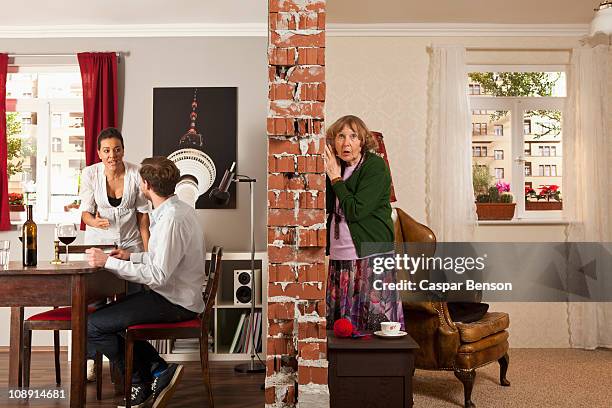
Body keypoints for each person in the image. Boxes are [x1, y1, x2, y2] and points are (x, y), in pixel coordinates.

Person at [85, 156, 205, 408]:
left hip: (175, 301)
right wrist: (132, 256)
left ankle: (140, 380)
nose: (138, 183)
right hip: (171, 295)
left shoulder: (172, 218)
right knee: (103, 317)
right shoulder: (174, 210)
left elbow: (159, 274)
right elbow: (162, 258)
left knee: (93, 325)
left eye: (140, 179)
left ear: (147, 185)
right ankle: (159, 371)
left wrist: (107, 263)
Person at [79, 127, 151, 381]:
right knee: (94, 304)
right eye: (107, 150)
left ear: (123, 150)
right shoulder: (90, 174)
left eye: (117, 149)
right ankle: (91, 360)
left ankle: (132, 360)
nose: (113, 155)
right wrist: (94, 222)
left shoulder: (135, 173)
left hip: (129, 246)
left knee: (130, 304)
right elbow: (85, 212)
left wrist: (147, 251)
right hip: (100, 247)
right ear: (99, 153)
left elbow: (143, 218)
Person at [324, 115, 404, 331]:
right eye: (340, 136)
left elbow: (355, 210)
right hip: (341, 254)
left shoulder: (374, 166)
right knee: (341, 323)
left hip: (371, 253)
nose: (346, 142)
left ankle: (380, 365)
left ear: (362, 141)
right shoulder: (335, 168)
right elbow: (328, 208)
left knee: (373, 321)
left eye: (353, 136)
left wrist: (335, 179)